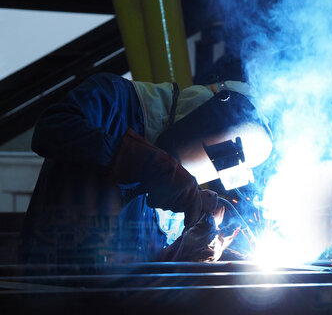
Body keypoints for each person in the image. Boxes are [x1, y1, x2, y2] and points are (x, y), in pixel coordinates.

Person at [19, 72, 270, 264]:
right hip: (44, 289)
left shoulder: (167, 210)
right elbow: (51, 129)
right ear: (209, 115)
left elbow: (142, 275)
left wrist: (187, 249)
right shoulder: (113, 96)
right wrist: (150, 165)